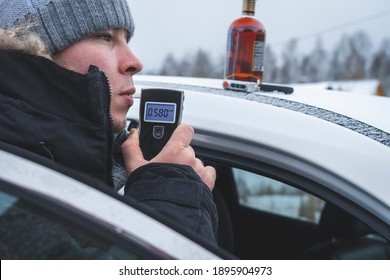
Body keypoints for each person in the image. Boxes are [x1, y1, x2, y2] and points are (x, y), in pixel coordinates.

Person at [0, 0, 218, 258]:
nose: (135, 62)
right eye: (104, 37)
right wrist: (172, 198)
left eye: (127, 39)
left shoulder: (90, 164)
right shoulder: (13, 178)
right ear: (37, 49)